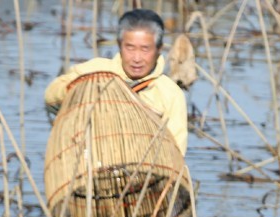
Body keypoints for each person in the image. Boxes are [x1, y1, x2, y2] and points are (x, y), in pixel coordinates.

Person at [44, 8, 188, 155]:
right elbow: (50, 97)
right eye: (130, 48)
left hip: (143, 173)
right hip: (87, 167)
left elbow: (176, 151)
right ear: (120, 45)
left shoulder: (170, 94)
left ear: (159, 50)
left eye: (145, 49)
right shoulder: (94, 70)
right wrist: (79, 90)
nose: (137, 58)